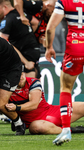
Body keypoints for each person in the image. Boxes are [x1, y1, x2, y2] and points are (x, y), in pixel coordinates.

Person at [0, 72, 84, 135]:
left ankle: (64, 128)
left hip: (52, 112)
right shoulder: (5, 89)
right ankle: (72, 130)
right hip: (35, 123)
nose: (21, 77)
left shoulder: (33, 82)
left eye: (22, 74)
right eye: (18, 76)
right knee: (36, 128)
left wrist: (16, 107)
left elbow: (34, 104)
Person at [45, 0, 84, 145]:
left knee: (66, 89)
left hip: (75, 48)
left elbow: (50, 28)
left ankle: (66, 129)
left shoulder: (64, 2)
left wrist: (49, 47)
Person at [0, 0, 40, 78]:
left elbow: (2, 42)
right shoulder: (22, 13)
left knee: (27, 88)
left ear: (4, 7)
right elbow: (35, 22)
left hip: (25, 58)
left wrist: (25, 62)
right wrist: (27, 34)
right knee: (37, 87)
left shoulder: (7, 20)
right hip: (34, 52)